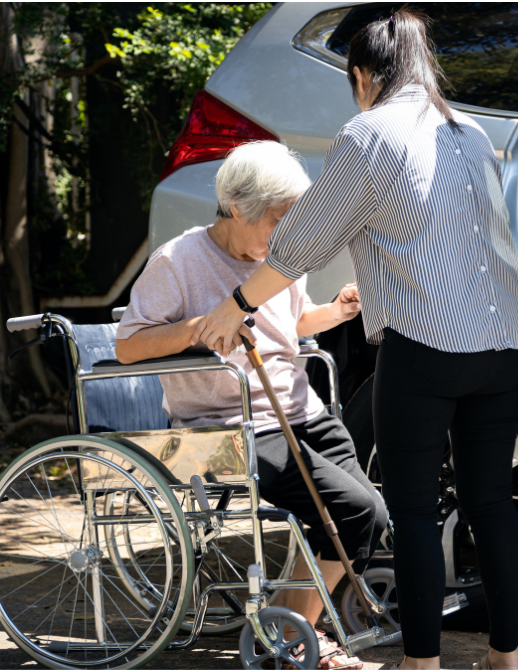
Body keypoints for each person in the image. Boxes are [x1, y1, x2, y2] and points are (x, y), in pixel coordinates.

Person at [192, 8, 518, 670]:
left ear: (362, 76)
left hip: (427, 347)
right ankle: (506, 659)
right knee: (490, 502)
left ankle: (422, 664)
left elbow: (300, 242)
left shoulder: (367, 134)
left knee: (411, 513)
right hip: (505, 344)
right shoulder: (469, 132)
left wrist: (238, 303)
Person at [116, 140, 387, 670]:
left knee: (369, 512)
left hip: (300, 412)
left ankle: (293, 621)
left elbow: (287, 327)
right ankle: (294, 632)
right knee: (354, 511)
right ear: (237, 208)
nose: (285, 236)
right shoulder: (177, 261)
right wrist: (200, 327)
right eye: (277, 221)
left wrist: (333, 312)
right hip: (224, 430)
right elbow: (128, 345)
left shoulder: (280, 258)